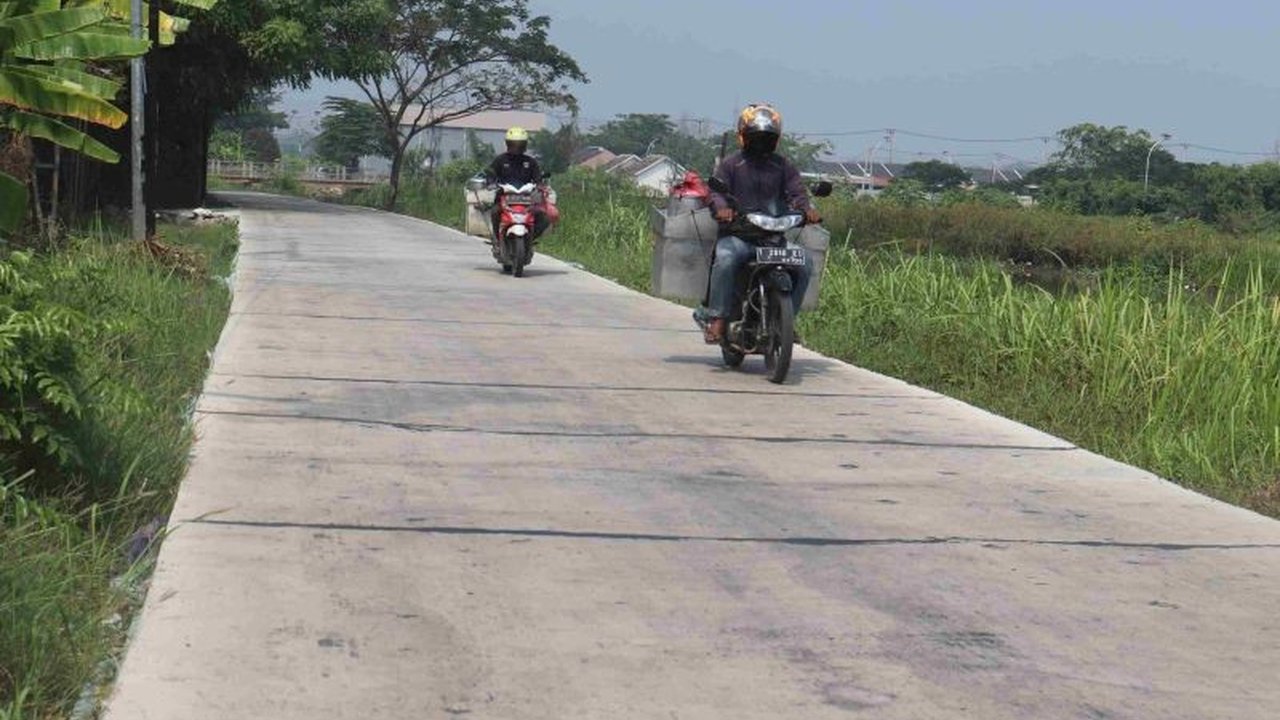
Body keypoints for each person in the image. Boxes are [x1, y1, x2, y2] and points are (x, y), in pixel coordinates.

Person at [701, 103, 822, 344]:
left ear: (775, 139)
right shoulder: (731, 165)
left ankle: (787, 321)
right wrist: (722, 209)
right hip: (739, 237)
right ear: (743, 137)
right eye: (755, 137)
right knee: (726, 258)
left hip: (774, 238)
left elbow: (796, 193)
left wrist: (807, 210)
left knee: (805, 263)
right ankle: (718, 319)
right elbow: (715, 193)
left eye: (766, 138)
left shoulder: (783, 166)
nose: (760, 142)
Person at [484, 126, 550, 242]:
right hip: (504, 197)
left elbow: (538, 178)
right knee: (495, 212)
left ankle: (529, 238)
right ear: (507, 144)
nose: (516, 148)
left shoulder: (530, 162)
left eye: (520, 145)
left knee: (544, 218)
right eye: (513, 144)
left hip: (526, 199)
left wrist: (540, 186)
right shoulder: (500, 160)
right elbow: (491, 174)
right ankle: (497, 239)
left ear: (525, 146)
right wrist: (490, 182)